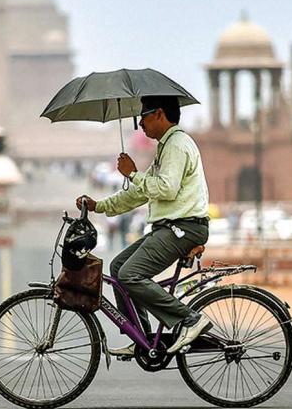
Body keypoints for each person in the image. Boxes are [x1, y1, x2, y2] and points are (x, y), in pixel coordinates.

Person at [75, 95, 211, 356]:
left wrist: (132, 174)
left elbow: (166, 189)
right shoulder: (165, 147)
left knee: (130, 275)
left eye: (143, 117)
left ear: (159, 114)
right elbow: (140, 193)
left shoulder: (177, 145)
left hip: (184, 228)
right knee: (117, 268)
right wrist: (98, 206)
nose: (140, 124)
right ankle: (142, 337)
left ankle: (190, 319)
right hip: (170, 228)